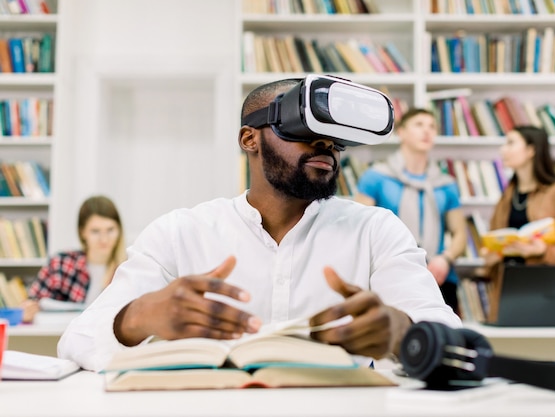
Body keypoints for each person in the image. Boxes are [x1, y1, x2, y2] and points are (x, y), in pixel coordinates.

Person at [57, 76, 462, 372]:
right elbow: (77, 340)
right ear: (249, 139)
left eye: (336, 139)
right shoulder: (180, 233)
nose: (326, 146)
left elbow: (452, 342)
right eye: (306, 130)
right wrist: (138, 317)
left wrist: (402, 331)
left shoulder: (376, 230)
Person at [355, 108, 467, 313]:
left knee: (443, 340)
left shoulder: (446, 183)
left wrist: (446, 259)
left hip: (438, 277)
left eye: (432, 126)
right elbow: (359, 231)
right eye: (419, 125)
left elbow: (460, 234)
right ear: (402, 133)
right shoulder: (376, 177)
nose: (427, 131)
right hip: (387, 276)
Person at [480, 125, 555, 321]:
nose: (503, 149)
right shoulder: (506, 197)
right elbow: (492, 247)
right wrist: (491, 255)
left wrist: (542, 251)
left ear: (531, 150)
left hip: (549, 294)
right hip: (507, 293)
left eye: (511, 143)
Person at [21, 195, 126, 323]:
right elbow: (33, 301)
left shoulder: (128, 267)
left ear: (119, 230)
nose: (104, 239)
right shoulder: (61, 263)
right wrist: (28, 309)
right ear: (83, 232)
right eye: (95, 231)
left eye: (110, 230)